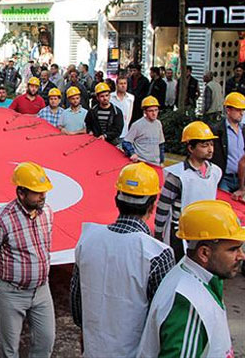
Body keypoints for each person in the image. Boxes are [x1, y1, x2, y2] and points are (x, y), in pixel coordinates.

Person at [71, 163, 174, 358]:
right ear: (153, 205)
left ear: (116, 200)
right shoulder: (157, 254)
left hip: (93, 350)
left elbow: (77, 302)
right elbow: (163, 317)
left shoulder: (88, 239)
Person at [138, 200, 244, 358]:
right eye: (233, 249)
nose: (241, 255)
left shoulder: (201, 278)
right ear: (204, 253)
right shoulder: (189, 303)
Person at [0, 162, 56, 358]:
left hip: (41, 290)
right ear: (21, 193)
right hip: (10, 293)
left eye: (44, 191)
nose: (43, 196)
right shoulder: (1, 220)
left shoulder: (47, 212)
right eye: (37, 192)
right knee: (9, 350)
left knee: (46, 341)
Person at [155, 121, 222, 261]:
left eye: (211, 144)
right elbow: (163, 206)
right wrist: (158, 233)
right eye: (204, 145)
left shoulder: (215, 172)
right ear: (191, 148)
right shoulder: (177, 175)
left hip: (206, 230)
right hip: (181, 233)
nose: (210, 149)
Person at [211, 92, 245, 193]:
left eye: (243, 110)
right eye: (238, 110)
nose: (242, 113)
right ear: (228, 110)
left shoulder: (243, 131)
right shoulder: (217, 131)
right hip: (224, 179)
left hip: (242, 180)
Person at [122, 96, 165, 165]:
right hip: (141, 162)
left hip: (155, 163)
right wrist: (132, 153)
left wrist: (162, 161)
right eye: (151, 111)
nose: (154, 113)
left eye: (156, 110)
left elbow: (161, 144)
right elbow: (126, 142)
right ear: (145, 111)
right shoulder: (137, 125)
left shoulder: (158, 124)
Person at [110, 75, 134, 141]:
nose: (123, 86)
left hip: (124, 132)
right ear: (116, 85)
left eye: (125, 83)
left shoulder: (131, 98)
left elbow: (129, 114)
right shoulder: (110, 97)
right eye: (121, 83)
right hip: (112, 132)